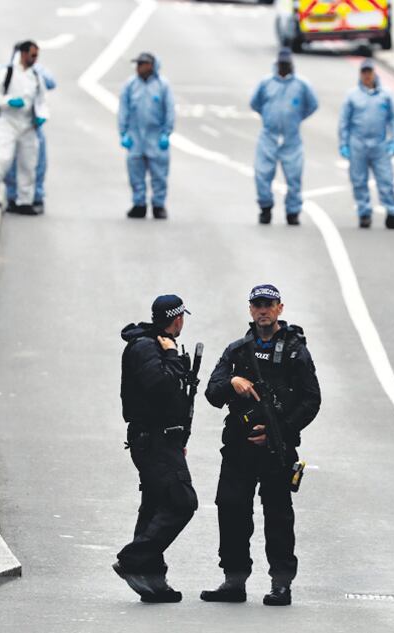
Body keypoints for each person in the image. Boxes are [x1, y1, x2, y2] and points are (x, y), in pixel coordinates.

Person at [201, 284, 321, 607]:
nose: (263, 310)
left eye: (269, 305)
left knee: (278, 516)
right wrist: (232, 383)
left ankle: (281, 583)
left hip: (275, 449)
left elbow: (311, 400)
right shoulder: (237, 350)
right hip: (239, 449)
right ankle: (234, 580)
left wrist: (277, 431)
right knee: (231, 507)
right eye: (257, 305)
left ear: (280, 308)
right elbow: (212, 393)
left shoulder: (295, 351)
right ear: (250, 309)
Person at [114, 295, 199, 603]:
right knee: (182, 501)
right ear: (177, 319)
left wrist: (180, 438)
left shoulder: (157, 345)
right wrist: (174, 357)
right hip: (154, 440)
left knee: (154, 506)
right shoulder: (148, 347)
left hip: (165, 439)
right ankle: (133, 560)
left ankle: (152, 578)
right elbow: (161, 387)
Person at [0, 47, 58, 215]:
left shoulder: (37, 75)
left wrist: (42, 115)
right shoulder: (7, 71)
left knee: (29, 163)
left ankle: (25, 200)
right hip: (8, 121)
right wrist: (9, 101)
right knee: (4, 157)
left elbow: (43, 99)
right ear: (22, 54)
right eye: (32, 55)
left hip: (28, 124)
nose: (35, 59)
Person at [250, 49, 318, 226]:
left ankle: (293, 212)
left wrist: (296, 119)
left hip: (291, 138)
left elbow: (312, 105)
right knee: (262, 174)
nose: (284, 68)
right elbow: (255, 103)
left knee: (294, 176)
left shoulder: (302, 85)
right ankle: (265, 208)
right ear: (277, 65)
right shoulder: (266, 83)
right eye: (282, 65)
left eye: (287, 65)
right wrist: (268, 117)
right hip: (269, 136)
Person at [338, 58, 394, 230]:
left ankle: (392, 213)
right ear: (360, 75)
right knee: (359, 180)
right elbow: (344, 122)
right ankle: (364, 213)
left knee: (386, 180)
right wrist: (343, 143)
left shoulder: (385, 95)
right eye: (364, 72)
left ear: (374, 73)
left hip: (379, 144)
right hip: (358, 144)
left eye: (370, 72)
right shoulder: (352, 96)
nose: (367, 76)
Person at [119, 52, 175, 220]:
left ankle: (158, 204)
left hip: (155, 137)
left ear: (150, 66)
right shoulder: (130, 85)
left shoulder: (162, 86)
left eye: (141, 64)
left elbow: (169, 111)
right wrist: (123, 133)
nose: (138, 68)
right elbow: (123, 110)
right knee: (135, 173)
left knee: (159, 174)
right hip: (136, 137)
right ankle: (139, 204)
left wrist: (166, 132)